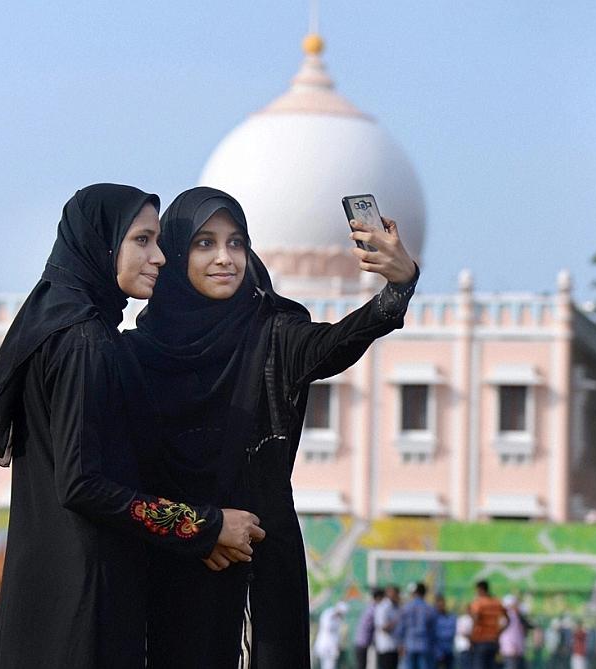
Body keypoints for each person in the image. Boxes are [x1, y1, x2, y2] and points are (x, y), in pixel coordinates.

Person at [127, 186, 419, 668]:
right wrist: (200, 529)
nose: (225, 258)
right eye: (205, 243)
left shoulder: (273, 332)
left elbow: (336, 344)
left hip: (262, 555)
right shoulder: (138, 352)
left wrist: (398, 288)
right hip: (178, 558)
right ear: (176, 252)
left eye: (236, 242)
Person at [0, 184, 264, 669]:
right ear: (102, 244)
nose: (159, 257)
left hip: (50, 596)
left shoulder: (59, 325)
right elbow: (82, 483)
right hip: (86, 606)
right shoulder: (84, 343)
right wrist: (203, 524)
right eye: (141, 241)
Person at [395, 582, 436, 669]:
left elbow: (400, 628)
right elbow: (433, 631)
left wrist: (400, 644)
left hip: (409, 645)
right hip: (425, 645)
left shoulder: (406, 608)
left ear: (414, 593)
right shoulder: (429, 609)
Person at [469, 580, 509, 669]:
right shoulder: (497, 602)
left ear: (480, 589)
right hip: (494, 641)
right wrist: (499, 632)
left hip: (480, 641)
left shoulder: (478, 603)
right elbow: (508, 620)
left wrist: (471, 637)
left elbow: (476, 619)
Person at [354, 588, 385, 669]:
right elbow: (380, 626)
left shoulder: (371, 607)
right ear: (378, 597)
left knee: (362, 665)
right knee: (362, 665)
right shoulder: (375, 609)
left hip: (362, 641)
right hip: (362, 641)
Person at [314, 602, 349, 669]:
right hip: (324, 644)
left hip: (332, 646)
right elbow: (327, 627)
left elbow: (337, 633)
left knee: (331, 665)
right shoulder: (328, 614)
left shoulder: (339, 620)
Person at [375, 586, 401, 669]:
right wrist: (397, 622)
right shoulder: (384, 607)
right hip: (385, 647)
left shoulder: (396, 606)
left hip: (394, 647)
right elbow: (383, 627)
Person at [435, 594, 457, 669]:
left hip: (449, 649)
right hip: (436, 651)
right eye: (439, 604)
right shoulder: (433, 617)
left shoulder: (451, 616)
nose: (441, 606)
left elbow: (453, 631)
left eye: (442, 604)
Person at [455, 604, 474, 669]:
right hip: (464, 647)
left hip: (473, 649)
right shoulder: (462, 619)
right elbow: (463, 632)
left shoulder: (474, 619)